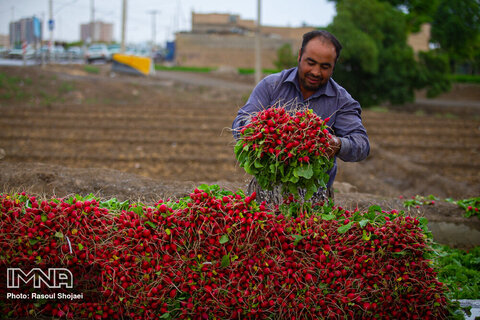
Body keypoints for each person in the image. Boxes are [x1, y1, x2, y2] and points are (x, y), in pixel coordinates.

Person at [232, 30, 370, 203]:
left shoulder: (342, 101)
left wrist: (337, 144)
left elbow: (362, 144)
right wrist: (261, 129)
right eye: (310, 63)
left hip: (314, 198)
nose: (316, 72)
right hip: (265, 193)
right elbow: (240, 122)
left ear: (334, 66)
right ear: (299, 56)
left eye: (325, 67)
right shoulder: (271, 85)